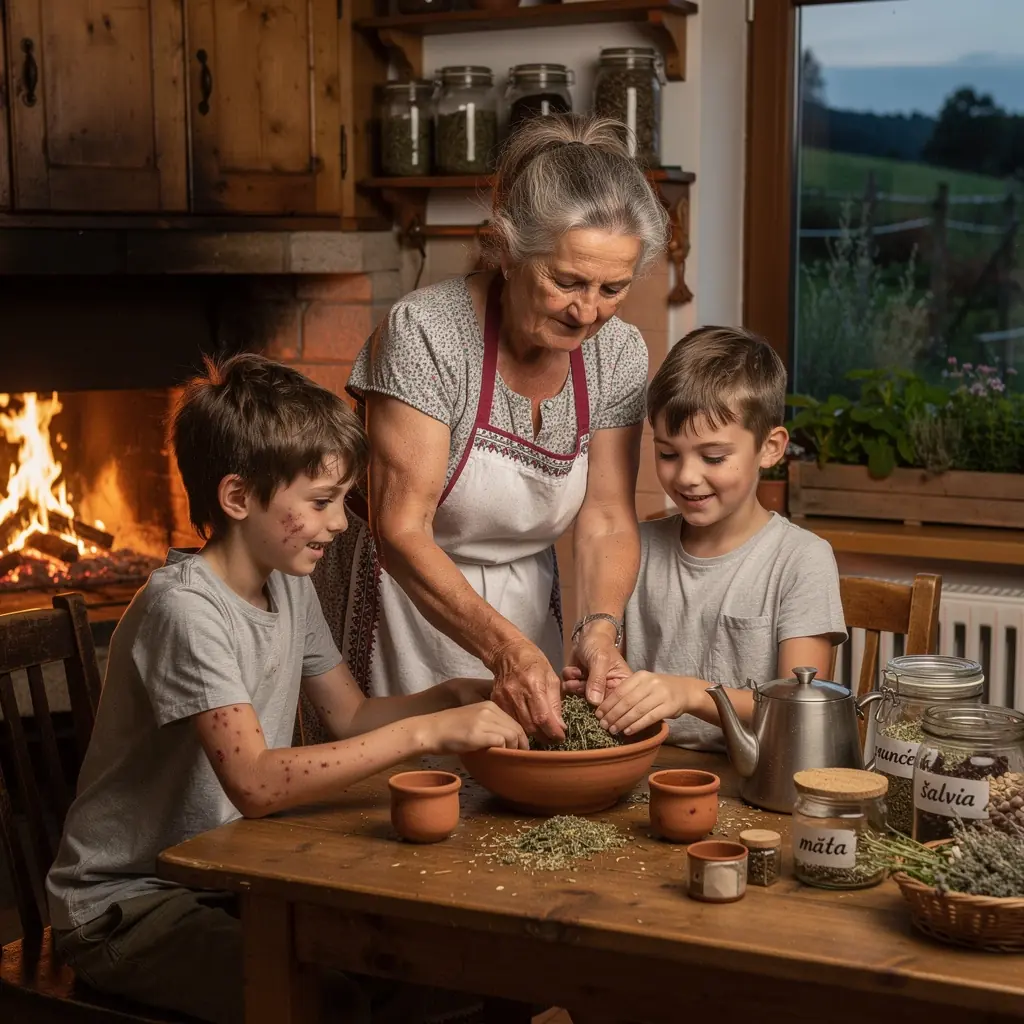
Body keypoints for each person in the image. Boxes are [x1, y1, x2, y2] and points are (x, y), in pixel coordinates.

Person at [46, 354, 527, 1024]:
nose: (339, 524)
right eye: (323, 502)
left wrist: (449, 696)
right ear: (239, 497)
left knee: (418, 961)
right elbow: (257, 783)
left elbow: (349, 714)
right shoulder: (186, 610)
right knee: (328, 999)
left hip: (230, 875)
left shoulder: (289, 583)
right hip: (131, 905)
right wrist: (428, 734)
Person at [311, 114, 669, 744]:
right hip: (399, 604)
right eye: (566, 281)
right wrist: (505, 650)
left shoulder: (618, 353)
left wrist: (599, 629)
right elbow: (401, 530)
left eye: (613, 288)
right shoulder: (427, 332)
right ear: (508, 249)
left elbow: (608, 516)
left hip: (527, 611)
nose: (588, 311)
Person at [575, 326, 847, 747]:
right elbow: (614, 671)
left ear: (771, 448)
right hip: (648, 772)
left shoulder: (801, 560)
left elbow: (799, 712)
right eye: (667, 453)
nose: (686, 476)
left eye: (713, 457)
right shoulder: (633, 548)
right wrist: (600, 682)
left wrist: (687, 694)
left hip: (752, 786)